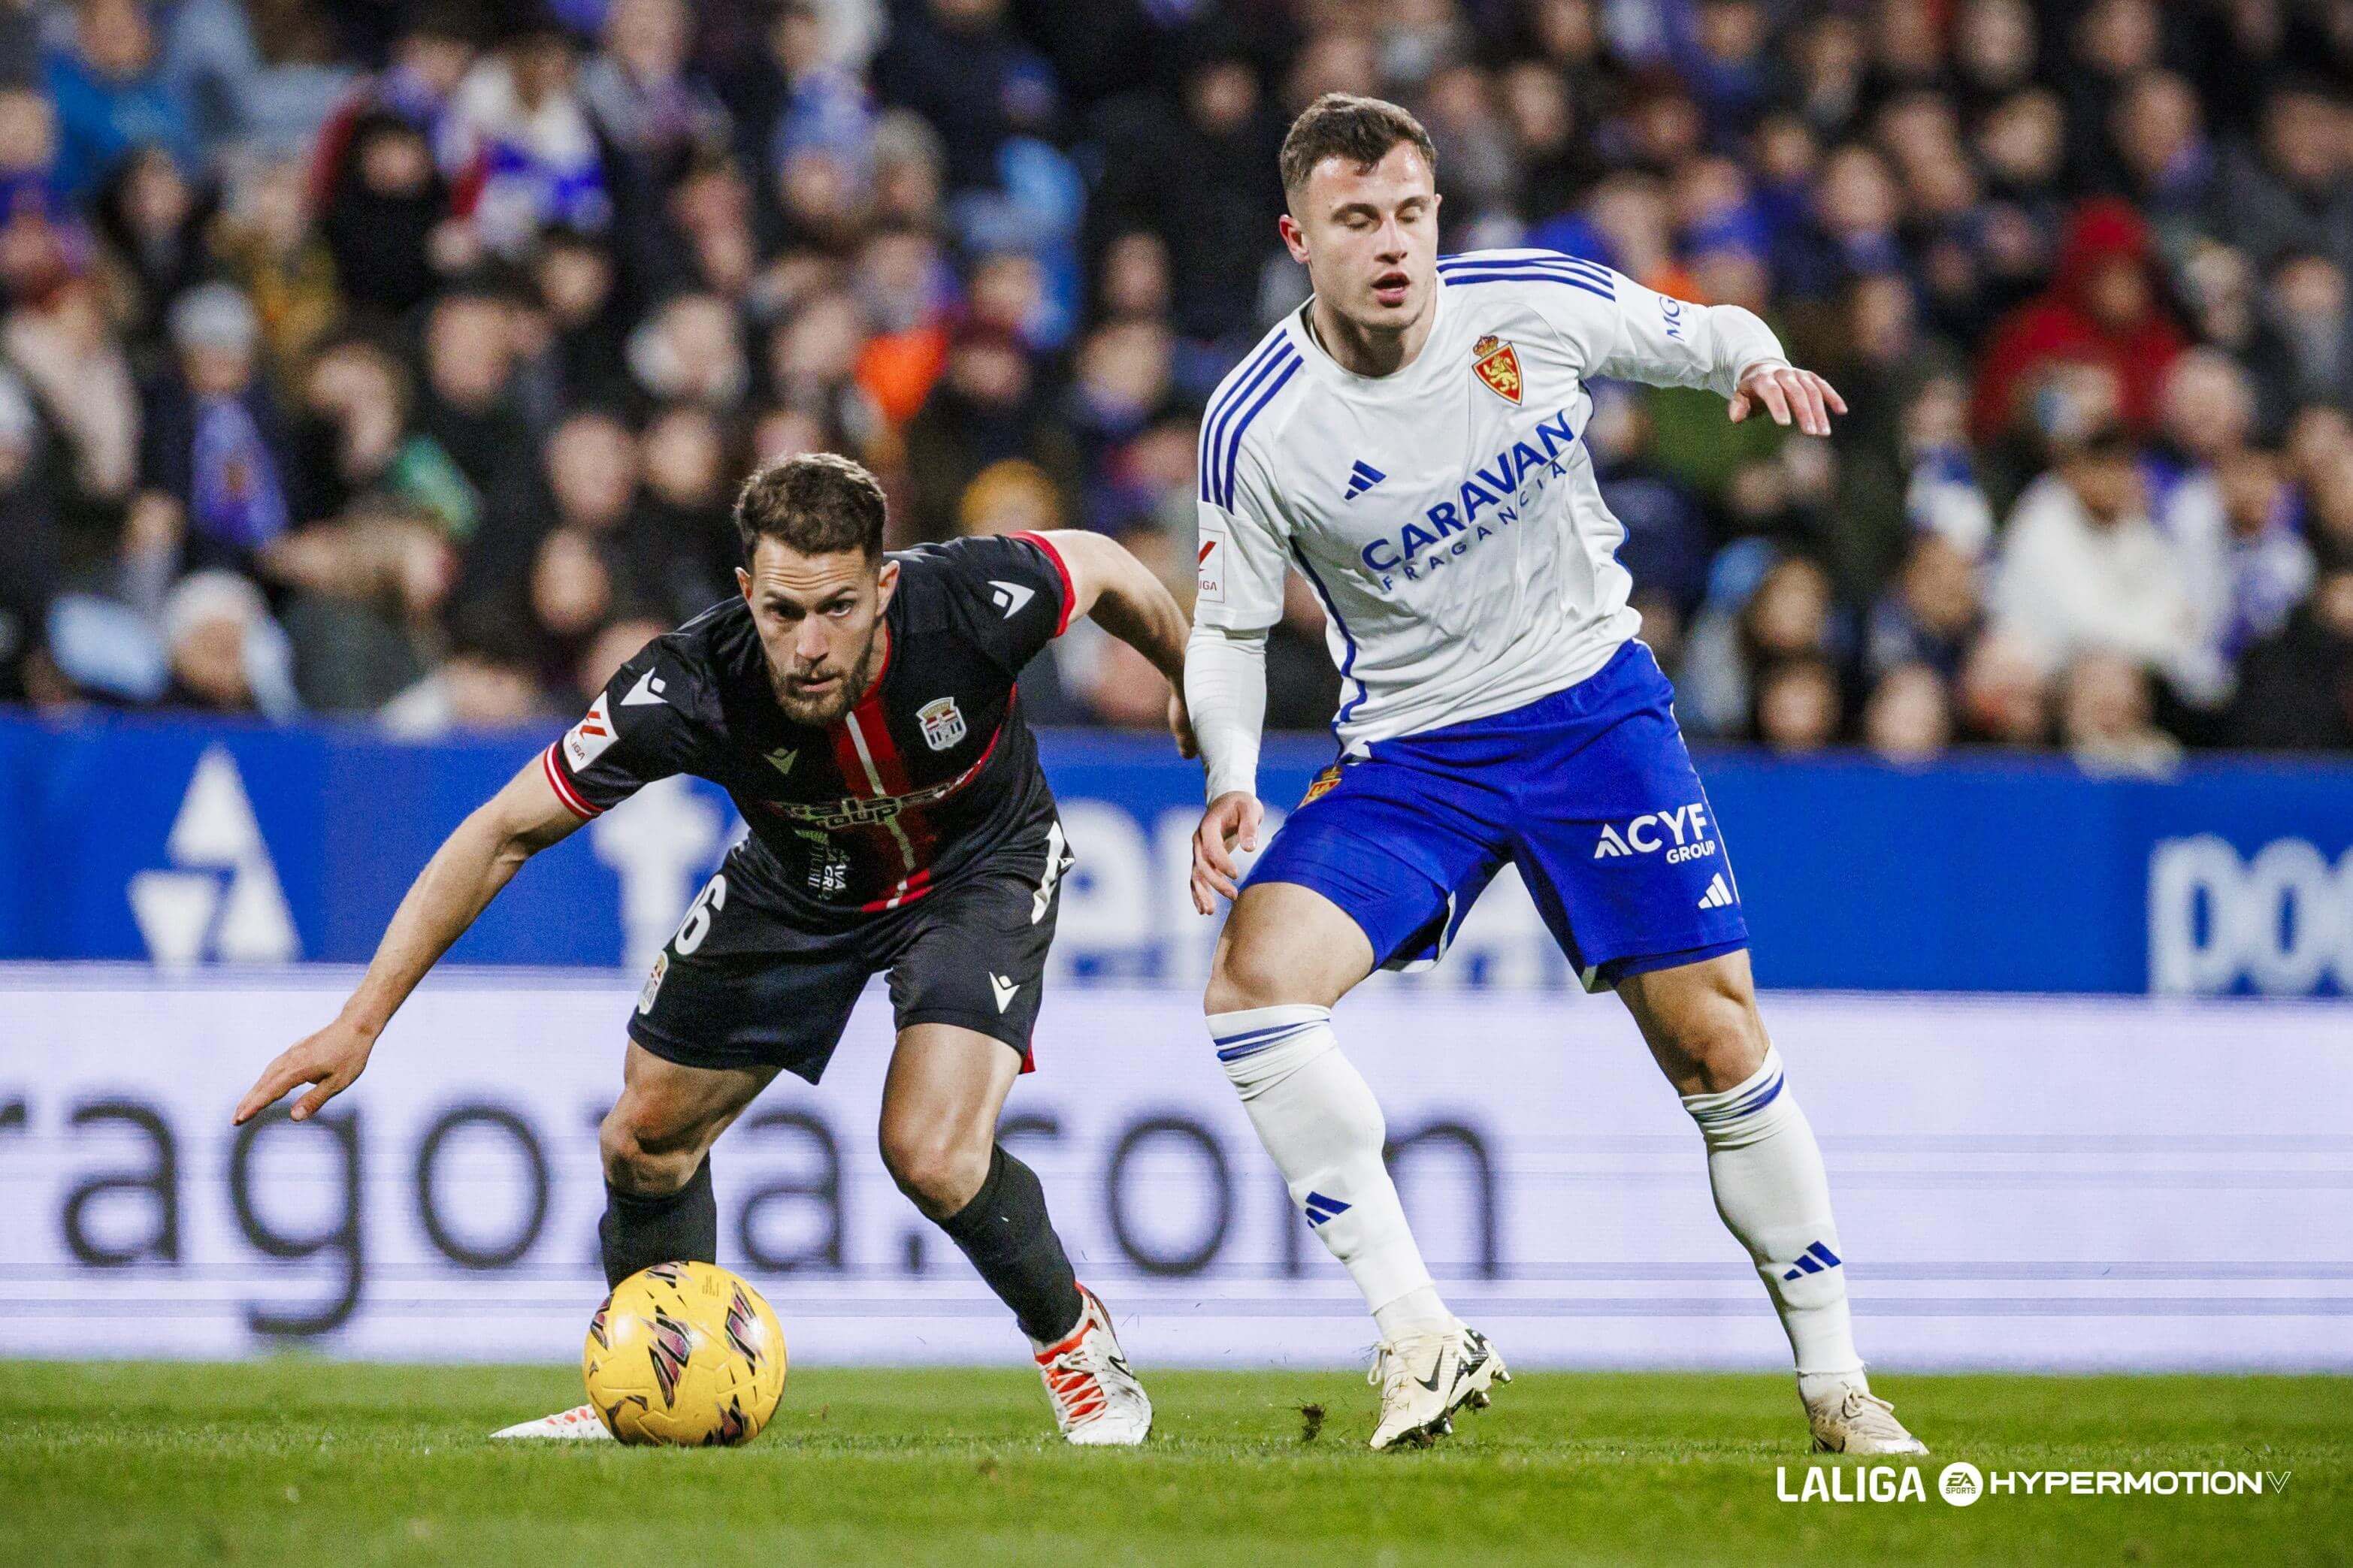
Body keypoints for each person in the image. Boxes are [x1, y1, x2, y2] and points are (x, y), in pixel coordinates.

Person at [1182, 95, 1927, 1455]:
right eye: (1358, 222)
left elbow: (1701, 333)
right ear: (1302, 239)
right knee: (1251, 986)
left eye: (1411, 212)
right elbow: (1228, 629)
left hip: (1593, 712)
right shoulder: (1257, 424)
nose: (1394, 245)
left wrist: (1756, 365)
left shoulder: (1523, 302)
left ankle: (1839, 1388)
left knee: (1717, 1044)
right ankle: (1417, 1333)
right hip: (1415, 752)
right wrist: (1233, 772)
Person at [234, 452, 1193, 1446]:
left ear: (886, 585)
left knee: (932, 1150)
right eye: (782, 612)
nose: (809, 644)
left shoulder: (972, 599)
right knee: (643, 1135)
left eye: (838, 609)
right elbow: (500, 833)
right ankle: (657, 1381)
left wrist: (1187, 675)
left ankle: (1075, 1349)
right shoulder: (687, 683)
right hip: (801, 879)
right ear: (746, 592)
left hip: (978, 868)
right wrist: (362, 1020)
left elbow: (1110, 570)